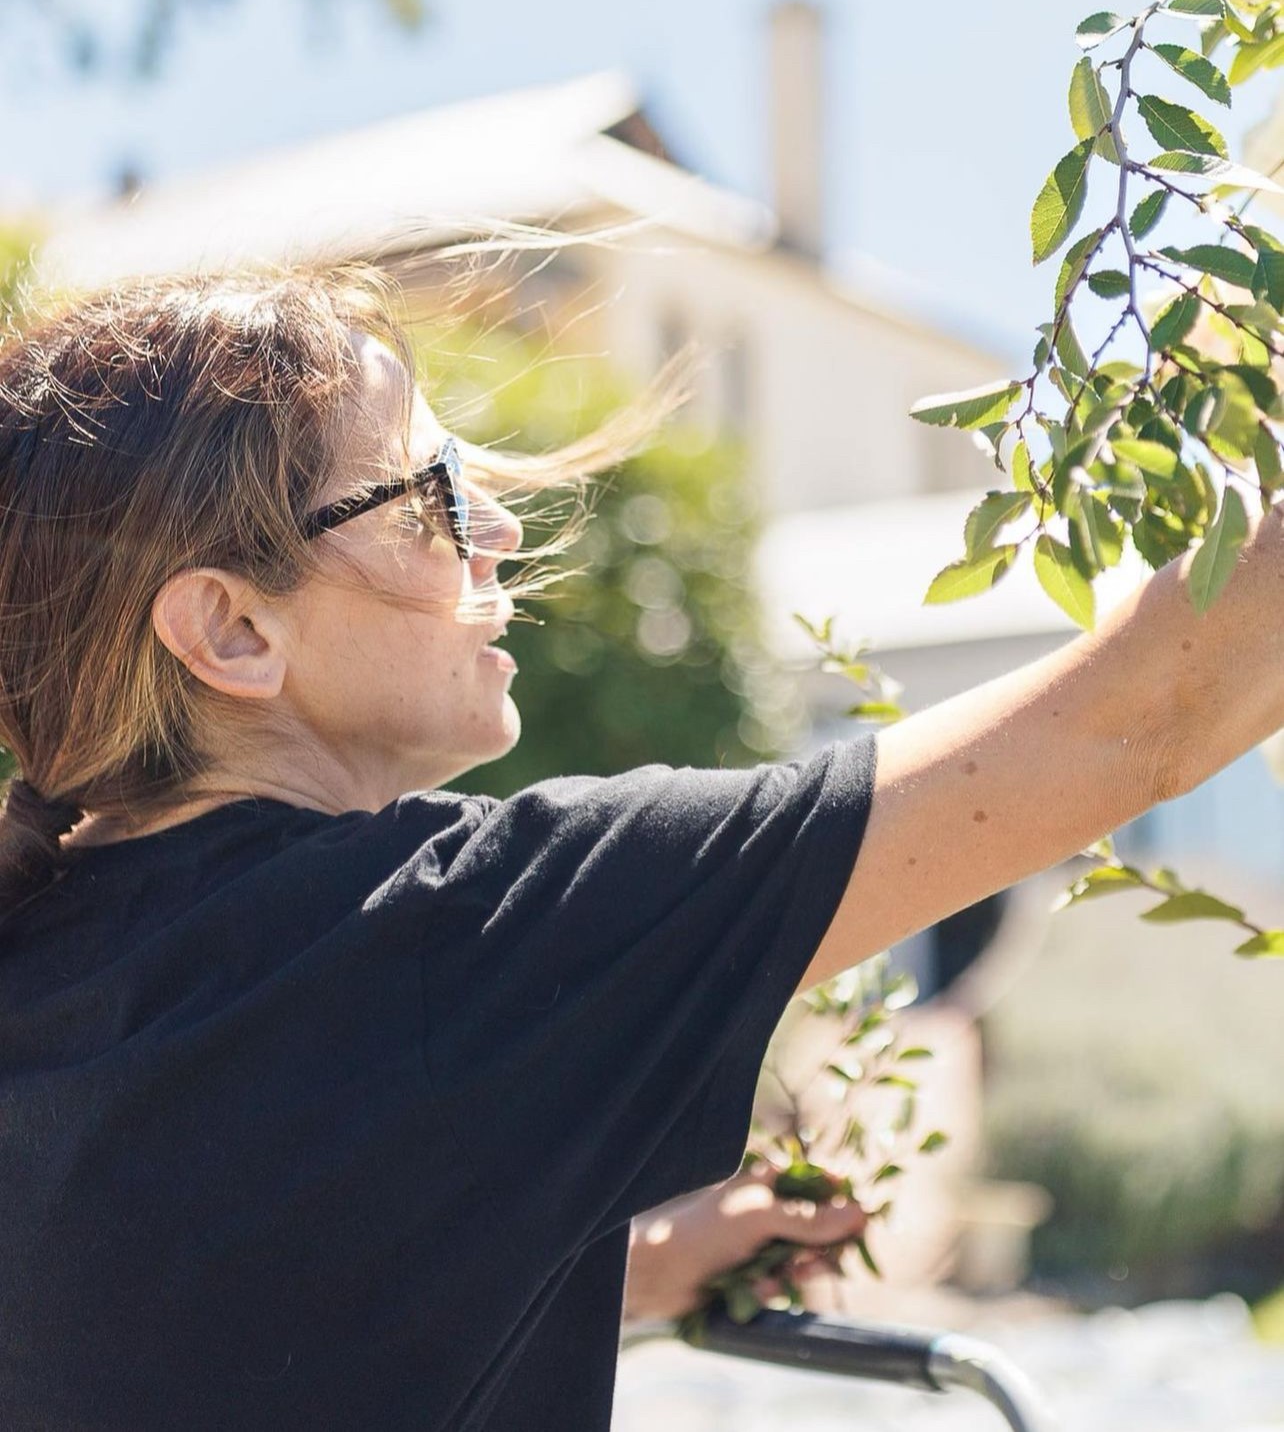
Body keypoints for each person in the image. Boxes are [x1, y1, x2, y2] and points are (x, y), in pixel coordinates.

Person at [0, 264, 1281, 1432]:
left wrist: (640, 1268)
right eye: (426, 499)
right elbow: (1146, 719)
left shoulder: (52, 961)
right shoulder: (448, 938)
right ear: (229, 631)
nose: (492, 533)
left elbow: (211, 1323)